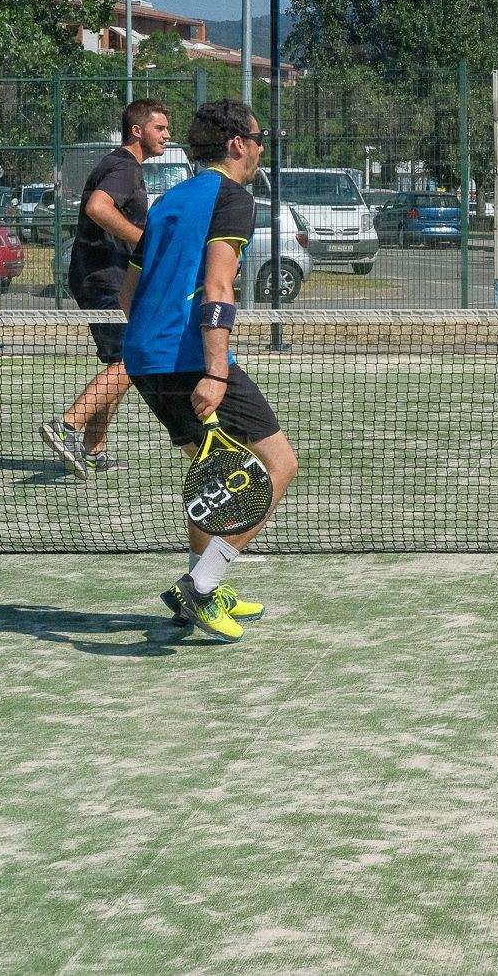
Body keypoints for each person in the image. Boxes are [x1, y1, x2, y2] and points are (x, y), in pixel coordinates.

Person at [120, 100, 298, 643]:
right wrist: (215, 372)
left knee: (216, 476)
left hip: (147, 357)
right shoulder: (233, 198)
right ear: (237, 143)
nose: (263, 146)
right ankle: (199, 587)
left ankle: (202, 586)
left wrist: (157, 336)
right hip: (192, 359)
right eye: (259, 136)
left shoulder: (171, 198)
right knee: (278, 465)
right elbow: (220, 288)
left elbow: (132, 288)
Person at [40, 99, 170, 479]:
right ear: (137, 130)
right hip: (104, 278)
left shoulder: (123, 166)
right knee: (131, 362)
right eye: (160, 128)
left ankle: (93, 450)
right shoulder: (123, 168)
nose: (167, 134)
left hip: (105, 277)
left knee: (122, 363)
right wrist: (143, 243)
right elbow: (99, 208)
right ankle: (67, 426)